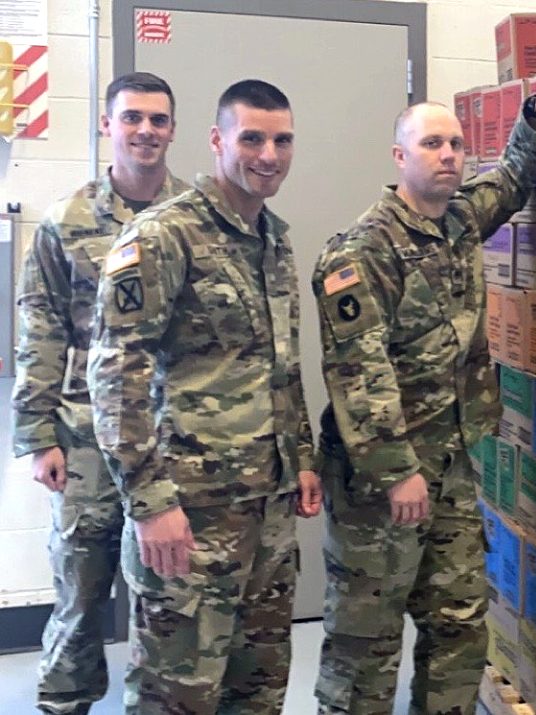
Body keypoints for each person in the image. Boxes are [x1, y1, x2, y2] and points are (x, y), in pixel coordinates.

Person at [310, 60, 536, 715]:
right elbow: (357, 373)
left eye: (457, 144)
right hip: (382, 484)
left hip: (455, 468)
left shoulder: (459, 222)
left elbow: (513, 180)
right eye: (433, 144)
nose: (450, 155)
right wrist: (396, 469)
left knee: (460, 625)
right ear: (399, 155)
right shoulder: (359, 251)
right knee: (366, 642)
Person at [87, 79, 322, 714]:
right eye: (251, 138)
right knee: (177, 692)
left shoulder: (274, 238)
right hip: (189, 514)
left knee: (258, 687)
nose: (268, 155)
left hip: (267, 509)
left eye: (282, 140)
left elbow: (280, 363)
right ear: (218, 140)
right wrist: (150, 502)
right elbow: (113, 376)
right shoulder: (164, 235)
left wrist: (299, 455)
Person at [11, 71, 189, 715]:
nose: (146, 131)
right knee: (82, 594)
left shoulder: (195, 215)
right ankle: (64, 704)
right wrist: (37, 436)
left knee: (171, 595)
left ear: (173, 129)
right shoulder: (69, 220)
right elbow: (39, 328)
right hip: (85, 440)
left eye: (158, 120)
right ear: (107, 126)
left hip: (172, 441)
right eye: (133, 118)